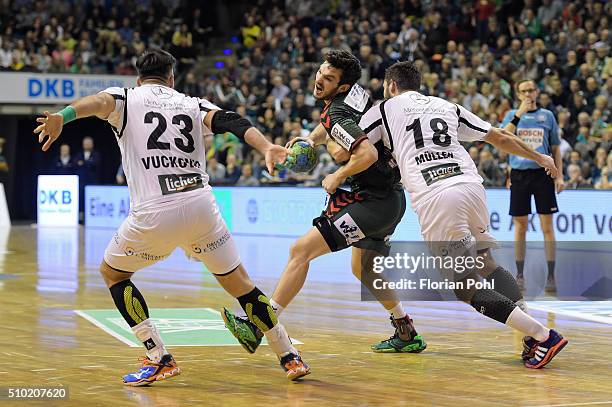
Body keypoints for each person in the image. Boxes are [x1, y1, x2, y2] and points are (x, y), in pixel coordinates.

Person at [33, 48, 309, 384]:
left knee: (113, 274)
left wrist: (63, 116)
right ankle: (289, 356)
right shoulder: (191, 103)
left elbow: (95, 103)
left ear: (138, 78)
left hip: (154, 212)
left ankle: (158, 355)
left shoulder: (124, 97)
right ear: (172, 78)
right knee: (242, 286)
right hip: (201, 206)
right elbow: (231, 121)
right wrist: (266, 147)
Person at [357, 61, 567, 369]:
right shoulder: (446, 106)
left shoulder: (385, 108)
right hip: (471, 186)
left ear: (391, 86)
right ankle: (532, 334)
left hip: (437, 195)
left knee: (464, 284)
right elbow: (499, 137)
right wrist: (539, 156)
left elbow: (352, 143)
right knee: (484, 261)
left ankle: (542, 335)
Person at [223, 50, 427, 354]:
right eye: (321, 71)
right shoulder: (356, 94)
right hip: (391, 201)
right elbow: (331, 122)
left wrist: (338, 174)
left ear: (343, 86)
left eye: (329, 78)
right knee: (365, 271)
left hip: (371, 202)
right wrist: (311, 140)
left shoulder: (337, 113)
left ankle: (259, 325)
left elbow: (363, 152)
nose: (319, 79)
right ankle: (406, 330)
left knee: (300, 251)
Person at [501, 79, 563, 292]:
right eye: (524, 91)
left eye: (531, 90)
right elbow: (503, 138)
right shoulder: (512, 116)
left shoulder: (547, 116)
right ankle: (519, 274)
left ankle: (551, 276)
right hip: (519, 175)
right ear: (518, 94)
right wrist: (519, 114)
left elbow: (555, 148)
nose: (528, 94)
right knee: (520, 227)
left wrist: (560, 176)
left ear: (537, 91)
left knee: (547, 227)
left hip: (542, 175)